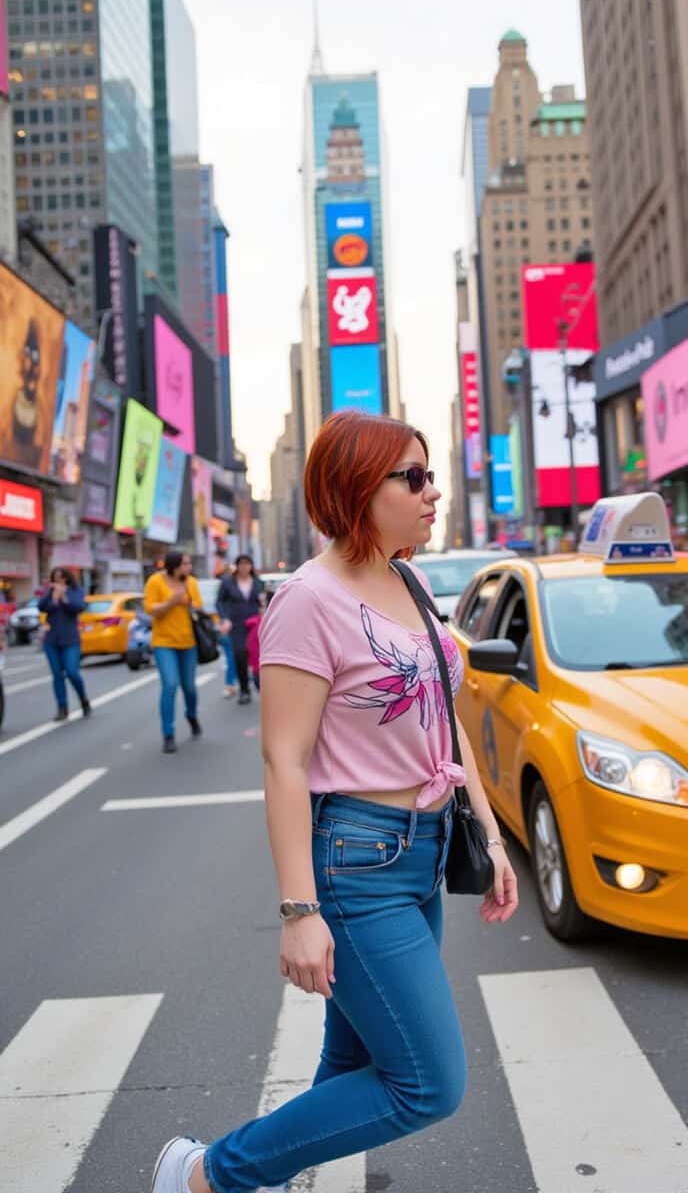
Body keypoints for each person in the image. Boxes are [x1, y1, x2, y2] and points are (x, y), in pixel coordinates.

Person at [151, 411, 519, 1193]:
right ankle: (205, 1175)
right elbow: (282, 759)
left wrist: (489, 835)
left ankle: (260, 1175)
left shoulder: (408, 578)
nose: (432, 493)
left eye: (431, 475)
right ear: (358, 487)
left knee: (354, 1058)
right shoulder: (307, 600)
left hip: (421, 851)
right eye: (412, 478)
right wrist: (298, 911)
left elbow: (444, 718)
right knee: (425, 1083)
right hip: (358, 860)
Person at [144, 551, 203, 754]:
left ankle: (192, 715)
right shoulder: (155, 581)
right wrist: (171, 602)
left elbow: (198, 607)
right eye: (185, 564)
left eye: (189, 563)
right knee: (170, 684)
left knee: (189, 687)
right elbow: (149, 608)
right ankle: (168, 733)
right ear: (174, 566)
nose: (188, 567)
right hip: (163, 642)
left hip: (188, 642)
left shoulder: (192, 582)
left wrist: (186, 601)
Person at [38, 567, 90, 721]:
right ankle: (62, 707)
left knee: (72, 671)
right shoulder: (50, 592)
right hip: (52, 640)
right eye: (55, 578)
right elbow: (41, 607)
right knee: (57, 675)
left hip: (70, 639)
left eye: (61, 578)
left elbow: (79, 607)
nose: (58, 581)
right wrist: (54, 597)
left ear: (67, 578)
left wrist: (64, 598)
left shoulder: (75, 590)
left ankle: (83, 699)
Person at [216, 555, 265, 704]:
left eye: (247, 564)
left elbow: (262, 603)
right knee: (240, 654)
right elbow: (219, 602)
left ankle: (261, 686)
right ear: (237, 566)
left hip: (254, 625)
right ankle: (244, 690)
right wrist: (224, 619)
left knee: (258, 657)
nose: (244, 567)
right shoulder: (227, 582)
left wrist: (263, 605)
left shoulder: (258, 583)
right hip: (236, 624)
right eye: (241, 564)